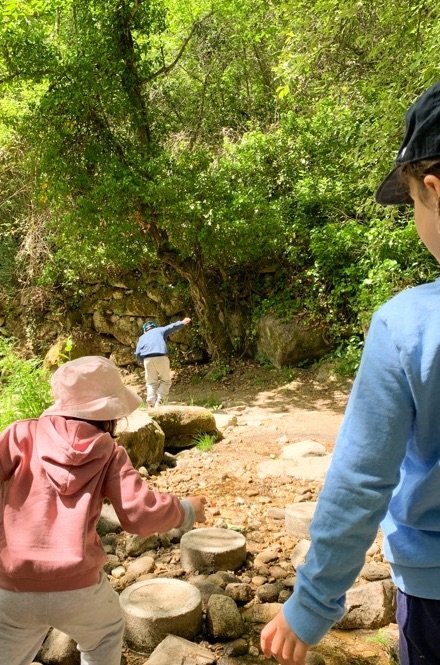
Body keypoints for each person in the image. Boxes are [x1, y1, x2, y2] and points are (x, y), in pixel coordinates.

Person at [261, 81, 440, 665]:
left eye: (412, 199)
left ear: (432, 190)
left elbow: (362, 478)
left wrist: (313, 600)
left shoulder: (408, 325)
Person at [0, 355, 207, 665]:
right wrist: (186, 509)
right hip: (78, 586)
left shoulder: (20, 436)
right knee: (106, 632)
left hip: (12, 583)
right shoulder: (111, 453)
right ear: (110, 412)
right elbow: (140, 514)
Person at [135, 317, 191, 407]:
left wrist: (143, 362)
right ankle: (160, 400)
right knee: (165, 381)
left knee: (151, 382)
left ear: (145, 330)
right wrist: (183, 322)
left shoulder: (142, 337)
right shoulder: (159, 330)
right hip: (160, 356)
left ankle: (150, 398)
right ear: (155, 327)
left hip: (147, 359)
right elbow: (172, 327)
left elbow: (137, 353)